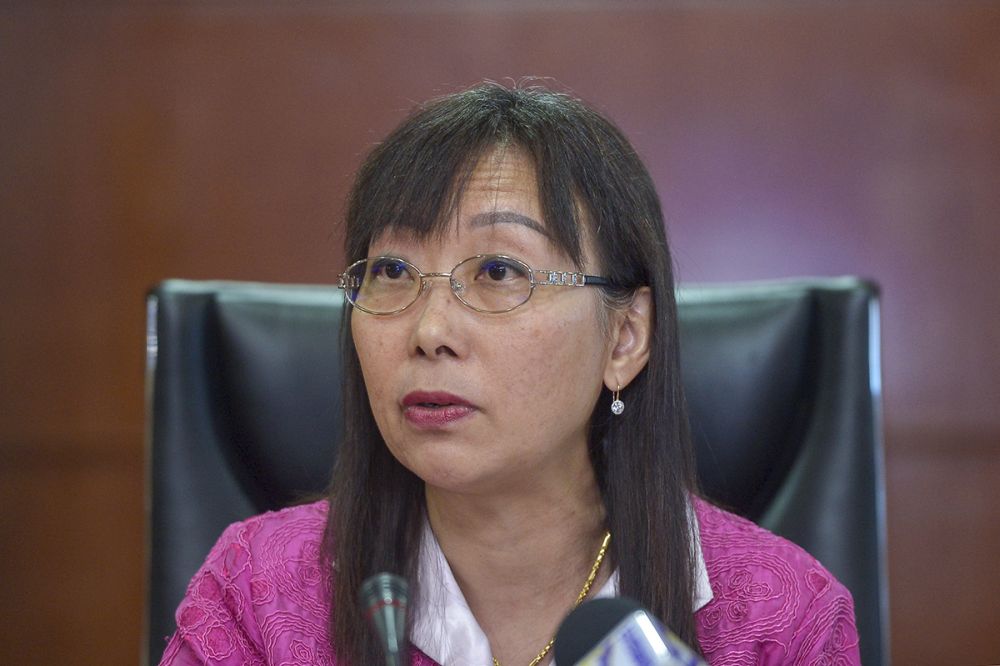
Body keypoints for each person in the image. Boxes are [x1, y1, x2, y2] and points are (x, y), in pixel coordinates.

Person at [159, 82, 860, 665]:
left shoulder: (781, 622)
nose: (430, 331)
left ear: (625, 335)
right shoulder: (256, 596)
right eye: (393, 271)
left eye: (499, 271)